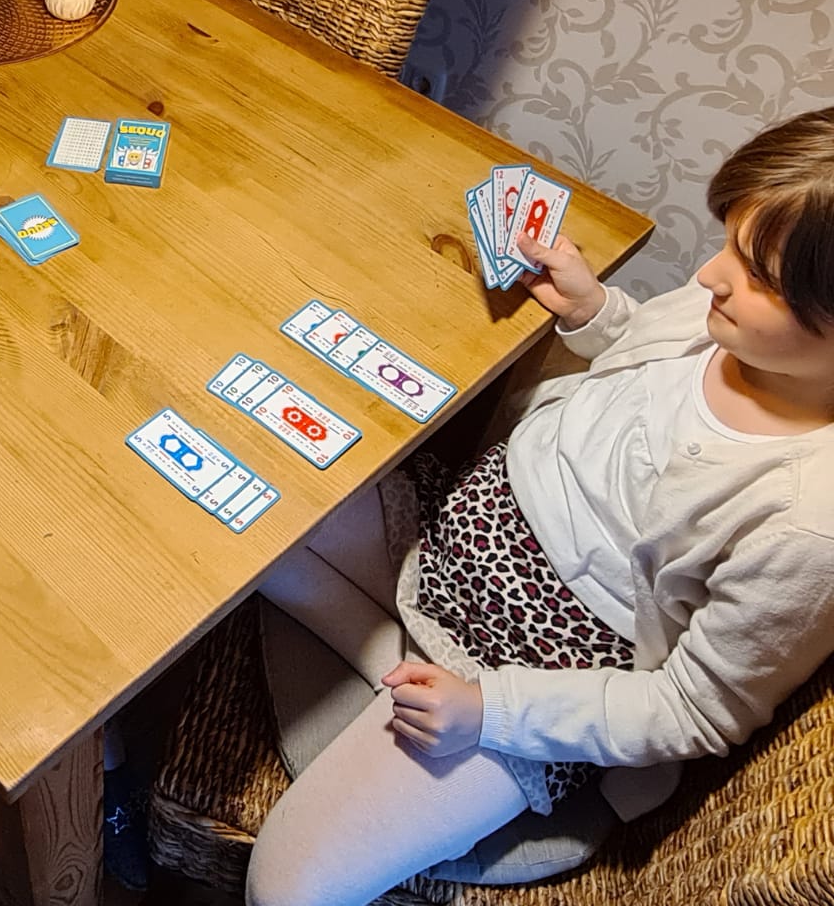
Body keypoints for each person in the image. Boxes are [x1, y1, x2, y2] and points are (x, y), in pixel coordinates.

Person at [246, 107, 834, 906]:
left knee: (288, 885)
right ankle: (395, 659)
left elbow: (694, 708)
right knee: (238, 503)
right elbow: (643, 369)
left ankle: (411, 684)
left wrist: (492, 711)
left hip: (531, 681)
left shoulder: (807, 522)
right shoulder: (718, 319)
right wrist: (598, 313)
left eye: (758, 275)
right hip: (448, 541)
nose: (709, 277)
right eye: (728, 240)